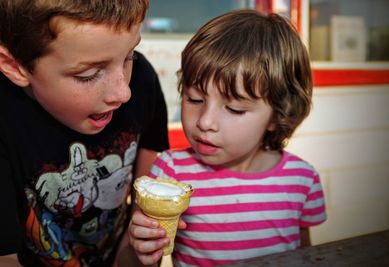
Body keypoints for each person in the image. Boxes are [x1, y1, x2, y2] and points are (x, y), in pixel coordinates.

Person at [129, 9, 327, 267]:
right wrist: (140, 250)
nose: (205, 122)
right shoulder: (169, 174)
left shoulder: (302, 180)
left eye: (234, 108)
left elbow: (306, 255)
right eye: (195, 99)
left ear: (279, 114)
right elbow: (132, 259)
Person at [0, 0, 170, 266]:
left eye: (129, 57)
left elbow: (143, 208)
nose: (123, 93)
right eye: (88, 74)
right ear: (15, 66)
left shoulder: (143, 80)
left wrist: (138, 249)